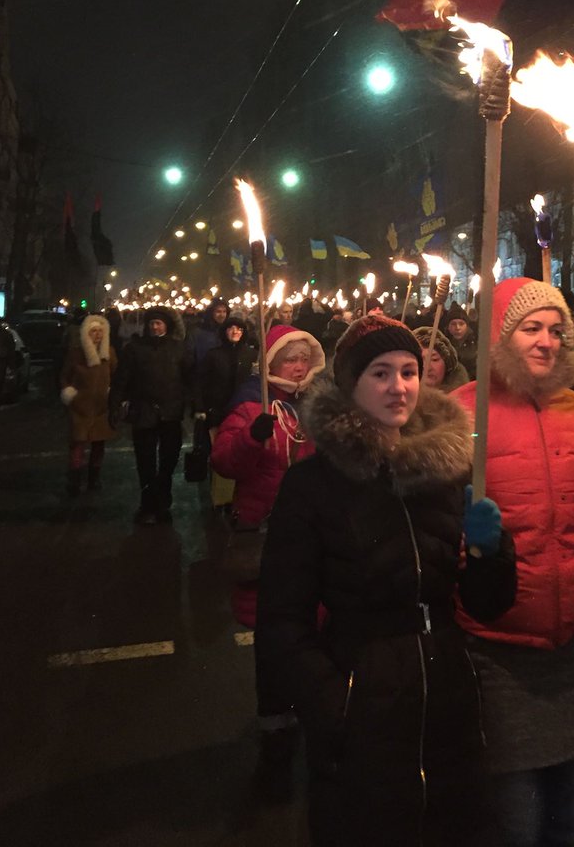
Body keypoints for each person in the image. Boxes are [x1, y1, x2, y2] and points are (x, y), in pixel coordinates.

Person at [255, 313, 516, 846]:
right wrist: (333, 704)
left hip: (447, 695)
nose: (399, 387)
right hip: (363, 694)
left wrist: (493, 552)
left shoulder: (446, 472)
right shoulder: (314, 485)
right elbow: (283, 618)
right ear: (352, 384)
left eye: (409, 371)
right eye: (380, 373)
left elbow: (487, 605)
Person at [452, 278, 574, 847]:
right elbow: (432, 528)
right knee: (517, 823)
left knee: (566, 820)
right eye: (531, 328)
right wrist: (467, 541)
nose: (547, 342)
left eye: (557, 330)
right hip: (498, 645)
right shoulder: (463, 412)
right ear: (501, 337)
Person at [211, 323, 325, 800]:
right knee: (275, 650)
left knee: (317, 644)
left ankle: (319, 739)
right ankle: (276, 748)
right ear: (271, 364)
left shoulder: (321, 406)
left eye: (304, 357)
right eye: (288, 359)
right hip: (269, 542)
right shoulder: (250, 405)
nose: (297, 366)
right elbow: (225, 462)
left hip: (316, 543)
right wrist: (251, 438)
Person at [111, 305, 191, 525]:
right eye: (152, 323)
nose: (155, 327)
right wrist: (114, 405)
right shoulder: (135, 349)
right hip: (143, 412)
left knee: (168, 460)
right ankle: (147, 503)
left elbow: (189, 379)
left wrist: (194, 405)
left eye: (159, 323)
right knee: (145, 461)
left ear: (167, 325)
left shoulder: (179, 348)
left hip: (170, 414)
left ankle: (163, 502)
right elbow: (122, 379)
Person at [59, 313, 118, 496]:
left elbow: (116, 374)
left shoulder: (109, 353)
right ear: (86, 333)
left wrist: (112, 392)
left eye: (101, 331)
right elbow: (64, 376)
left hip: (101, 407)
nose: (97, 335)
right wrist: (70, 393)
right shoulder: (76, 354)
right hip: (80, 407)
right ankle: (75, 480)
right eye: (93, 331)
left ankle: (94, 478)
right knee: (78, 444)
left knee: (99, 444)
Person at [412, 325, 469, 393]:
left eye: (434, 359)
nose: (427, 367)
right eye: (420, 360)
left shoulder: (462, 400)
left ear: (447, 364)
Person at [187, 297, 229, 369]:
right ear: (211, 313)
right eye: (218, 311)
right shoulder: (197, 331)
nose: (222, 315)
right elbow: (189, 356)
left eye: (224, 311)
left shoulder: (227, 330)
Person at [445, 303, 477, 380]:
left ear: (467, 326)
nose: (457, 327)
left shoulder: (476, 343)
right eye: (453, 324)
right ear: (448, 327)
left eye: (461, 324)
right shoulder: (444, 345)